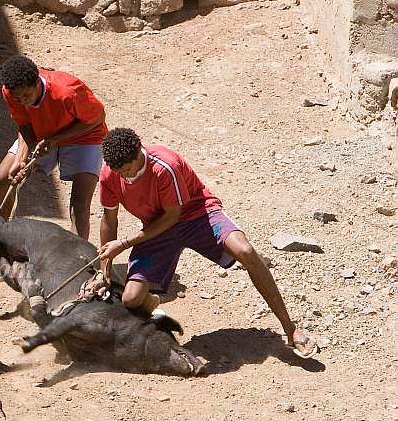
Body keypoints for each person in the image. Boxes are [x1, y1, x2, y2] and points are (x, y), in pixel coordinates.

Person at [96, 127, 318, 359]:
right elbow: (109, 219)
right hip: (157, 228)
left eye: (128, 171)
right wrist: (105, 269)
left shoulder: (164, 167)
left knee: (246, 251)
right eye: (119, 173)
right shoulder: (110, 173)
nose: (124, 177)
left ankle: (290, 329)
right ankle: (149, 302)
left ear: (137, 155)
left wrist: (124, 243)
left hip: (197, 215)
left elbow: (172, 216)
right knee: (131, 300)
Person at [0, 56, 107, 239]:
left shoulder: (68, 92)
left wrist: (55, 140)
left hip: (85, 136)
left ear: (37, 82)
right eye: (17, 98)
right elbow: (24, 124)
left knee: (79, 206)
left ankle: (77, 262)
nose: (22, 102)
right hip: (43, 135)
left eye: (26, 96)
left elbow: (98, 118)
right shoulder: (11, 92)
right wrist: (23, 159)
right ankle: (5, 244)